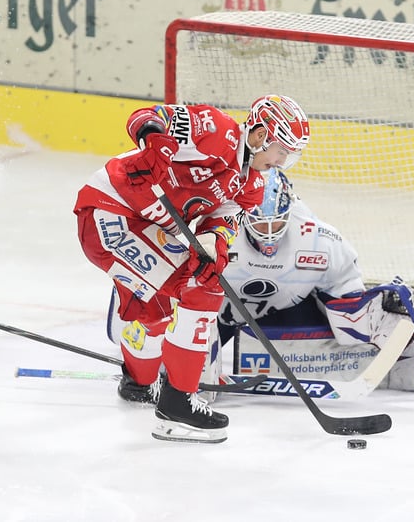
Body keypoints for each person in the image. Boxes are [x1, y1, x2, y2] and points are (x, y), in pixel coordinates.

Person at [74, 94, 310, 443]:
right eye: (281, 150)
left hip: (150, 227)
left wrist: (214, 242)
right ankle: (178, 404)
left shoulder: (254, 184)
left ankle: (138, 384)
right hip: (110, 210)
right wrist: (154, 140)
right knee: (203, 287)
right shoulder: (216, 129)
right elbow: (145, 116)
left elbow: (224, 220)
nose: (282, 160)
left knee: (154, 310)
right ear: (260, 136)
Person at [216, 169, 414, 391]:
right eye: (259, 222)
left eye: (276, 221)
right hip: (218, 313)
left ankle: (410, 361)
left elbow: (345, 294)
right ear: (243, 212)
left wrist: (382, 322)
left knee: (338, 340)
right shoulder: (218, 231)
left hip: (286, 309)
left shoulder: (318, 239)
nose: (268, 232)